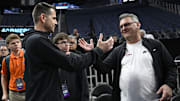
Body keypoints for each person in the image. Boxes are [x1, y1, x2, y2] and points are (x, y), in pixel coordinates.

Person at [22, 2, 113, 101]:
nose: (56, 23)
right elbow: (71, 63)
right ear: (43, 18)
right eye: (54, 18)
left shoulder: (33, 40)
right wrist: (98, 50)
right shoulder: (38, 41)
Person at [79, 13, 177, 101]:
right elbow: (103, 68)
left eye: (127, 24)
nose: (123, 28)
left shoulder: (155, 45)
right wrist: (94, 53)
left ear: (138, 25)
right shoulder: (119, 51)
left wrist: (169, 85)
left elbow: (171, 67)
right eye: (121, 26)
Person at [53, 32, 89, 101]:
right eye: (63, 42)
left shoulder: (77, 59)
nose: (67, 44)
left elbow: (84, 83)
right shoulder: (54, 61)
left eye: (68, 42)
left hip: (76, 97)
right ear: (56, 45)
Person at [1, 34, 26, 101]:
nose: (16, 44)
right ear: (8, 46)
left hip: (29, 90)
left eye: (18, 42)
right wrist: (5, 93)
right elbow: (4, 77)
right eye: (13, 43)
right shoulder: (6, 60)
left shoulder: (28, 56)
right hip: (14, 92)